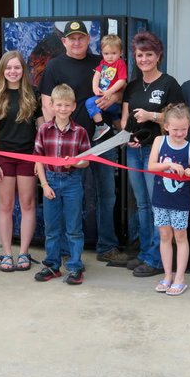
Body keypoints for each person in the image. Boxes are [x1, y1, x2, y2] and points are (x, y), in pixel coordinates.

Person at [39, 20, 127, 265]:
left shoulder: (102, 62)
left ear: (89, 40)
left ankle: (107, 246)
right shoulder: (54, 66)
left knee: (106, 195)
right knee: (69, 198)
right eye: (72, 38)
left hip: (103, 141)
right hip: (69, 146)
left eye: (81, 38)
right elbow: (47, 103)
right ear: (64, 41)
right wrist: (54, 138)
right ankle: (67, 250)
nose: (77, 42)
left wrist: (114, 98)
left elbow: (120, 90)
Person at [122, 31, 185, 277]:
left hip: (159, 153)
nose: (144, 59)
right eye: (139, 55)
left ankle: (157, 258)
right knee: (142, 204)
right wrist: (129, 137)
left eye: (149, 54)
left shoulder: (169, 84)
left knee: (157, 204)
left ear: (158, 56)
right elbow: (126, 121)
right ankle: (146, 251)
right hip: (135, 151)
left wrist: (153, 116)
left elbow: (179, 119)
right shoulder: (133, 86)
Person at [0, 51, 42, 273]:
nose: (12, 71)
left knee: (28, 205)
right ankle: (7, 253)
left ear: (23, 70)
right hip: (5, 158)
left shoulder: (33, 94)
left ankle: (24, 252)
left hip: (28, 156)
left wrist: (40, 158)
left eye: (17, 67)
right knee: (6, 206)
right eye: (8, 68)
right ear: (2, 71)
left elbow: (42, 128)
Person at [33, 84, 91, 285]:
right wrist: (44, 184)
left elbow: (87, 160)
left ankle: (75, 267)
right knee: (51, 227)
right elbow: (38, 159)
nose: (63, 109)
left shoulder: (80, 131)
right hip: (50, 181)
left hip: (72, 182)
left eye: (67, 105)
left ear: (74, 106)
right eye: (59, 105)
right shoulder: (43, 130)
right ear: (52, 105)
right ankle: (52, 265)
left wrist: (76, 161)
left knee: (74, 227)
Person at [148, 104, 190, 296]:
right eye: (175, 129)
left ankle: (180, 278)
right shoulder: (159, 141)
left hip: (180, 200)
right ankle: (167, 275)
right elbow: (152, 166)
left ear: (189, 127)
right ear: (166, 126)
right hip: (160, 198)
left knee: (180, 237)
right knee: (164, 236)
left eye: (183, 129)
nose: (179, 133)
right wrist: (168, 164)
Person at [86, 34, 128, 141]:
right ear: (102, 53)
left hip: (113, 99)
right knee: (114, 117)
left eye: (114, 53)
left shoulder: (120, 63)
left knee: (90, 103)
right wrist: (95, 88)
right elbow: (97, 75)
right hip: (106, 98)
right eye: (106, 53)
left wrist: (110, 91)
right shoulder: (103, 63)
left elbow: (122, 81)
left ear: (121, 52)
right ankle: (123, 135)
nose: (110, 57)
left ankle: (100, 126)